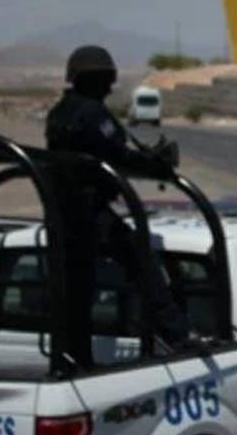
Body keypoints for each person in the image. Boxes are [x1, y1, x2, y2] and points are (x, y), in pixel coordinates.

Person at [45, 45, 191, 367]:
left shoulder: (59, 113)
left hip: (62, 212)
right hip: (89, 213)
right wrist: (157, 166)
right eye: (107, 80)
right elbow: (117, 155)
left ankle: (73, 358)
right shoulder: (93, 114)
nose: (110, 87)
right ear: (96, 80)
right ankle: (176, 334)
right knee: (142, 262)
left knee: (75, 294)